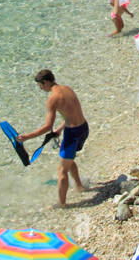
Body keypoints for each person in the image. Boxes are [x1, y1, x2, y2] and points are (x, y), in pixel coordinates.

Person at [19, 70, 89, 207]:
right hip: (83, 128)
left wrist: (27, 137)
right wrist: (58, 130)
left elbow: (47, 127)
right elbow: (72, 114)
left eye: (40, 85)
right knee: (69, 159)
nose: (40, 88)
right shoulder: (67, 89)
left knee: (62, 170)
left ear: (45, 82)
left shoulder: (52, 99)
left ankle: (61, 204)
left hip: (72, 134)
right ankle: (80, 187)